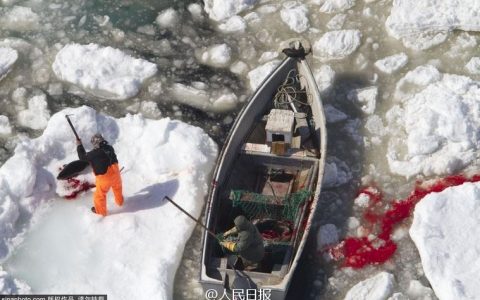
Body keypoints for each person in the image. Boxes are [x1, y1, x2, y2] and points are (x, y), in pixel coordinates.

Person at [76, 133, 124, 216]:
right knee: (117, 189)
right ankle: (120, 202)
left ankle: (101, 211)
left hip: (105, 178)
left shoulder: (93, 154)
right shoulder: (110, 148)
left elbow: (82, 157)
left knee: (99, 195)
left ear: (95, 143)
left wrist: (79, 145)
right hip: (116, 175)